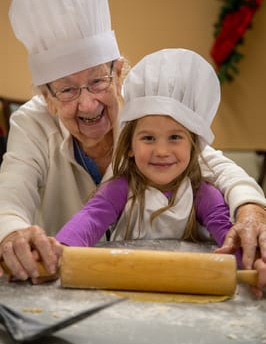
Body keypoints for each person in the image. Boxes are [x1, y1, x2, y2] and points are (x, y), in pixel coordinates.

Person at [0, 0, 265, 296]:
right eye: (66, 90)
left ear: (119, 72)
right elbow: (9, 199)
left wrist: (252, 212)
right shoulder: (31, 123)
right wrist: (12, 234)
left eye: (98, 80)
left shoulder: (146, 111)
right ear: (46, 97)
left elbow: (214, 165)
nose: (87, 104)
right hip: (67, 286)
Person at [56, 48, 242, 269]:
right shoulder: (120, 189)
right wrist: (59, 251)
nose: (161, 151)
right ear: (130, 147)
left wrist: (251, 260)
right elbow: (89, 220)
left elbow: (229, 238)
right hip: (128, 283)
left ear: (193, 146)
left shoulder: (202, 194)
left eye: (174, 137)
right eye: (148, 138)